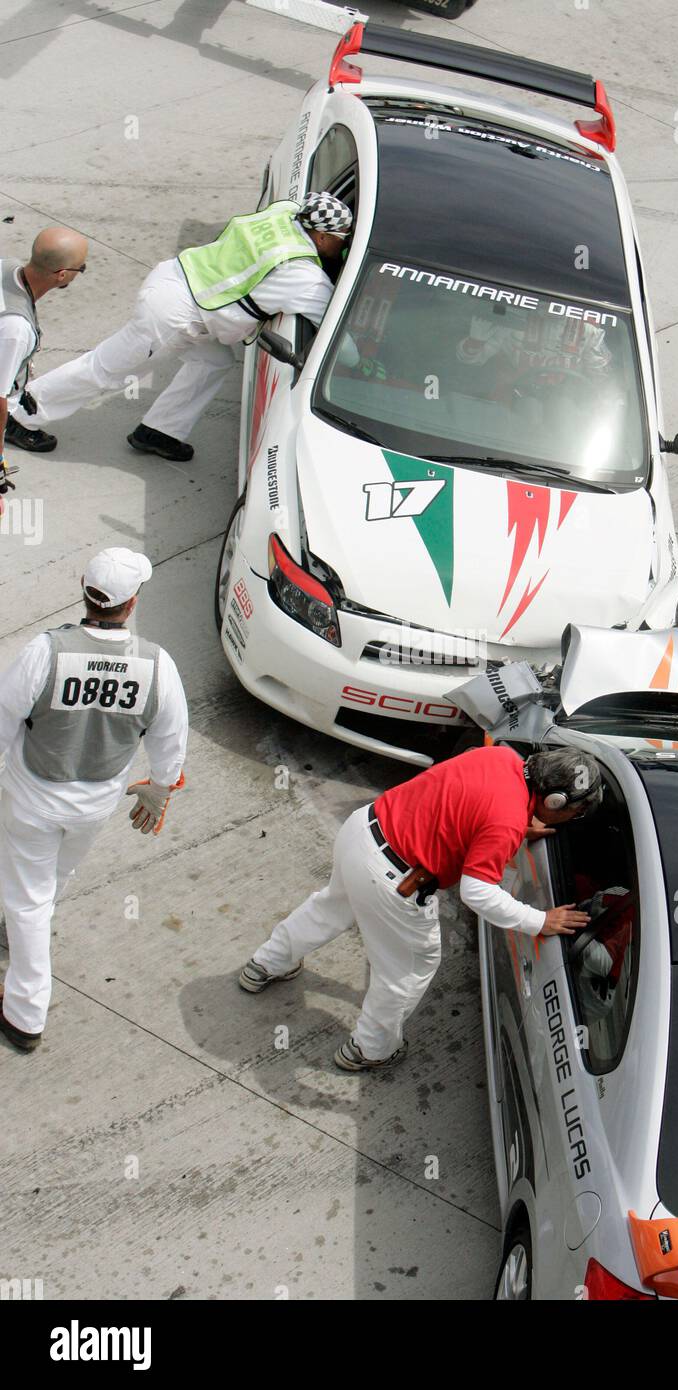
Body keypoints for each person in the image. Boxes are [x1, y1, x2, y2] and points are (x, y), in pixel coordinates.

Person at [239, 744, 603, 1071]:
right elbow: (477, 893)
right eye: (576, 811)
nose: (574, 819)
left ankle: (266, 963)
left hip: (363, 830)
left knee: (330, 907)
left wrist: (515, 826)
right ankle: (370, 1050)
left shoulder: (501, 757)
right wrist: (539, 920)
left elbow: (464, 802)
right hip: (393, 879)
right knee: (407, 972)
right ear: (554, 801)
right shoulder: (505, 821)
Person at [0, 548, 188, 1052]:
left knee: (28, 899)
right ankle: (22, 930)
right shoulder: (156, 664)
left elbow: (4, 716)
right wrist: (160, 787)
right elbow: (171, 739)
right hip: (96, 803)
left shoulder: (47, 651)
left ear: (83, 586)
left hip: (35, 795)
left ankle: (25, 1012)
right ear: (132, 604)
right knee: (55, 878)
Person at [8, 192, 352, 464]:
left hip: (176, 282)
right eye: (340, 239)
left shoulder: (284, 213)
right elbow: (337, 332)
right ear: (321, 237)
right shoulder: (301, 275)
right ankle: (21, 415)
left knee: (213, 362)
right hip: (174, 315)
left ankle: (159, 431)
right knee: (105, 370)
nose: (343, 245)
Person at [0, 227, 90, 511]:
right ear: (62, 275)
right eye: (81, 268)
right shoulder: (16, 329)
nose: (80, 272)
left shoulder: (6, 265)